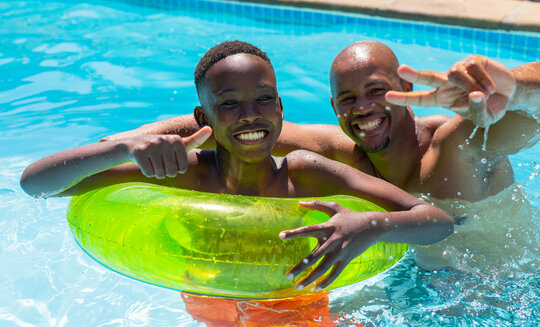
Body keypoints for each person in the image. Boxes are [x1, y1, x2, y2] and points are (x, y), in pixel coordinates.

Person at [21, 41, 453, 327]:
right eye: (229, 103)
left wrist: (368, 226)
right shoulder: (184, 174)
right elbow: (35, 184)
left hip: (295, 309)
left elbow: (436, 221)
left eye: (264, 99)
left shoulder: (304, 172)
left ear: (281, 109)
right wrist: (123, 148)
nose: (250, 114)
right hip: (214, 306)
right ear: (203, 118)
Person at [108, 41, 539, 274]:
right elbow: (220, 123)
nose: (363, 109)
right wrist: (124, 144)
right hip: (412, 285)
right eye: (348, 98)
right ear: (334, 108)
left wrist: (514, 89)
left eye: (377, 91)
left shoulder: (460, 143)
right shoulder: (336, 153)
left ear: (406, 93)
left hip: (504, 294)